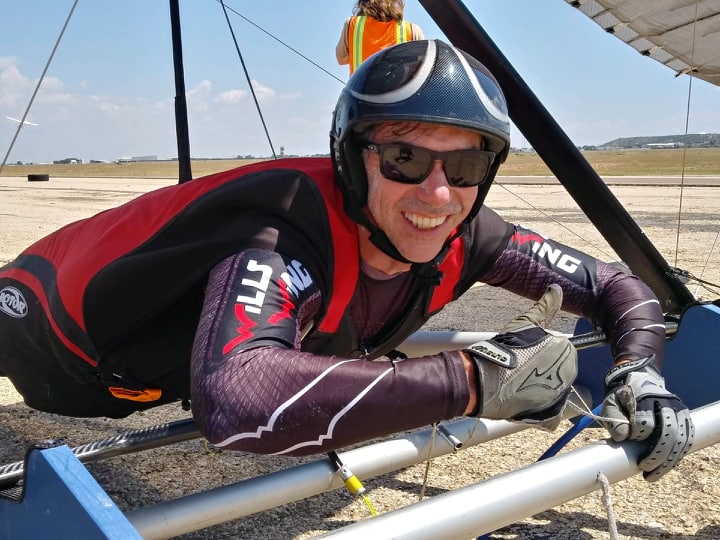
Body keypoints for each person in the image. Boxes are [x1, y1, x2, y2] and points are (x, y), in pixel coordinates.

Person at [0, 40, 693, 483]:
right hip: (43, 329)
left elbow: (611, 284)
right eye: (404, 158)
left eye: (466, 165)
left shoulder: (470, 231)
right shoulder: (280, 229)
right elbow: (236, 402)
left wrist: (640, 371)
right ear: (351, 159)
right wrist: (470, 379)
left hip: (137, 374)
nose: (438, 193)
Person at [336, 0, 424, 75]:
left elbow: (341, 59)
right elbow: (423, 69)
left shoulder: (352, 25)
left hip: (360, 90)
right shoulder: (413, 31)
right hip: (399, 90)